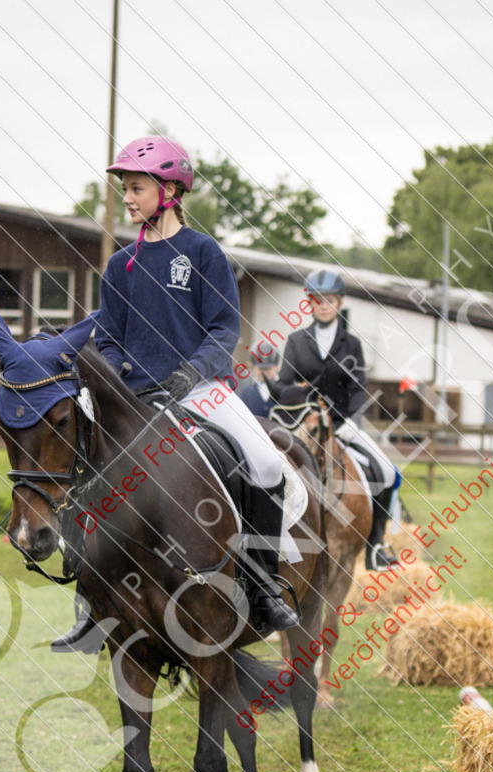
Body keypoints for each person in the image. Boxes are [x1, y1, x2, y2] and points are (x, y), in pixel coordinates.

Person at [52, 135, 299, 652]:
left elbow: (223, 329)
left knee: (268, 465)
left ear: (169, 191)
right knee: (77, 465)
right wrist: (114, 372)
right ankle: (89, 603)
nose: (127, 197)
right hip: (131, 396)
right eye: (125, 189)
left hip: (200, 389)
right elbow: (112, 337)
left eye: (136, 188)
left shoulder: (204, 253)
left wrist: (192, 372)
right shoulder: (120, 265)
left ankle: (263, 587)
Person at [271, 269, 399, 571]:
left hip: (343, 426)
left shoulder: (350, 344)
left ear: (339, 303)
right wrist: (298, 394)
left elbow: (358, 387)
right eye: (317, 300)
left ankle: (376, 546)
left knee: (387, 472)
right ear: (310, 304)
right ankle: (269, 542)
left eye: (329, 300)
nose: (323, 305)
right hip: (306, 427)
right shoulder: (296, 341)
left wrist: (353, 421)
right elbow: (282, 388)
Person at [239, 348, 279, 418]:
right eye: (261, 369)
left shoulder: (285, 391)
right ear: (253, 367)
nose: (264, 372)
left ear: (276, 367)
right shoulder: (246, 394)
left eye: (268, 368)